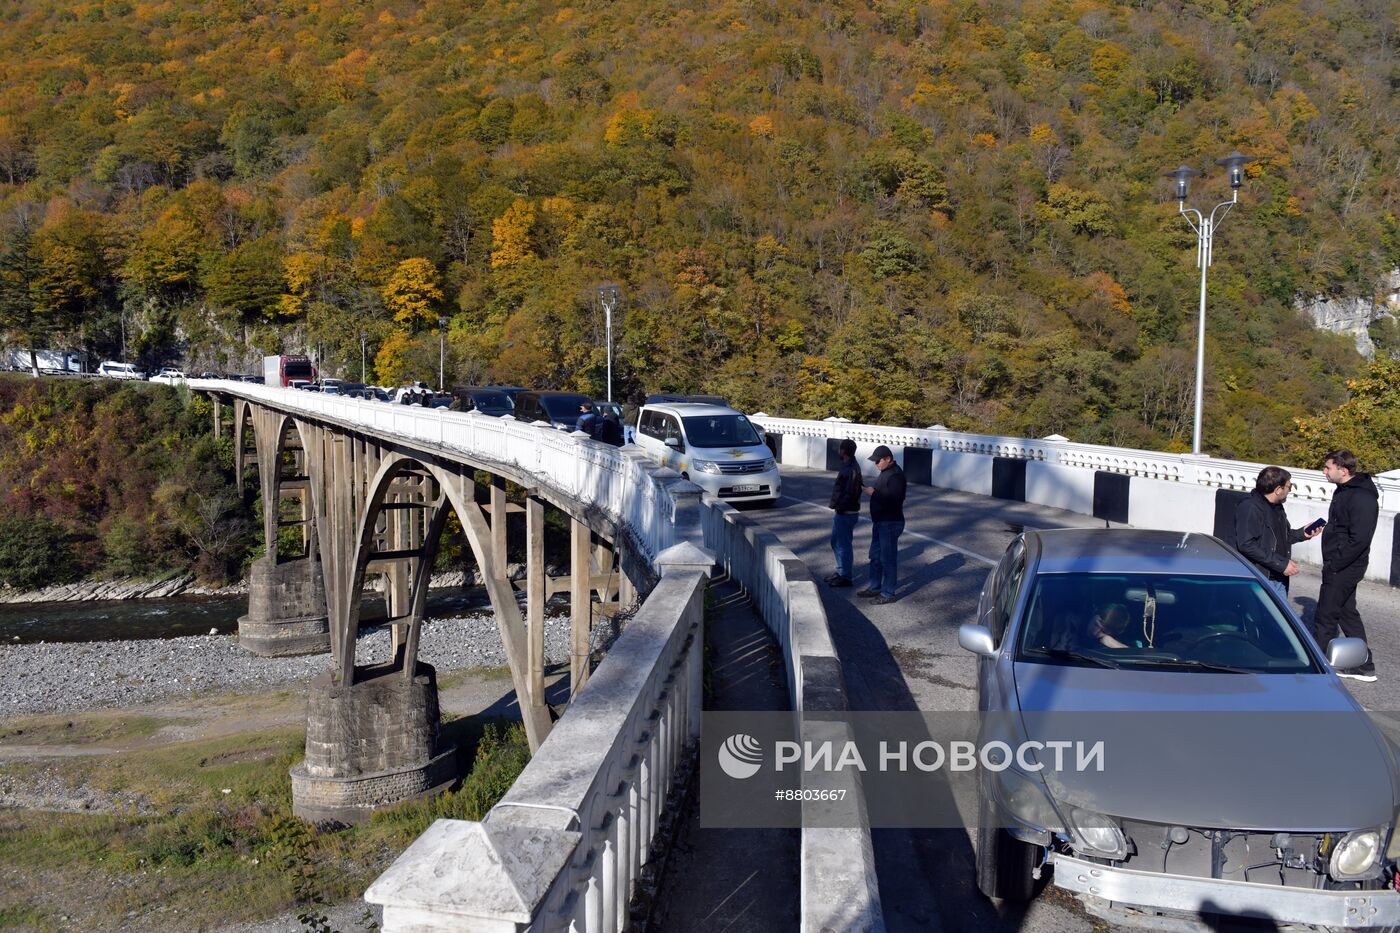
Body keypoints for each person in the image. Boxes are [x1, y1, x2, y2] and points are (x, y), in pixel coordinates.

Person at [1316, 449, 1380, 681]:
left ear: (1343, 470)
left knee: (1325, 616)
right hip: (1339, 562)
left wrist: (1336, 563)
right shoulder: (1344, 490)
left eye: (1328, 467)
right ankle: (1364, 664)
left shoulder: (1362, 497)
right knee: (1346, 613)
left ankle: (1317, 666)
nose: (1324, 471)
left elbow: (1360, 538)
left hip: (1344, 566)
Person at [1234, 466, 1320, 601]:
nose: (1289, 491)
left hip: (1279, 577)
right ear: (1278, 490)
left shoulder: (1277, 507)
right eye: (1289, 487)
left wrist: (1302, 533)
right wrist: (1281, 564)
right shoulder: (1250, 507)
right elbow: (1247, 544)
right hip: (1263, 579)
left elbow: (1280, 537)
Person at [857, 445, 906, 604]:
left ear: (888, 459)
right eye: (875, 461)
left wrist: (874, 493)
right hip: (880, 522)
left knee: (888, 559)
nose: (876, 463)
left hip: (890, 522)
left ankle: (888, 593)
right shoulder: (886, 472)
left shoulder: (896, 476)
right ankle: (875, 587)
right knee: (875, 556)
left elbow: (895, 500)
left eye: (878, 461)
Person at [825, 439, 862, 588]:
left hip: (847, 511)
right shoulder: (849, 465)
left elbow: (849, 492)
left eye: (840, 449)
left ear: (844, 451)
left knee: (843, 544)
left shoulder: (851, 468)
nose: (839, 452)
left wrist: (839, 506)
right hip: (844, 510)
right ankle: (840, 571)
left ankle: (845, 576)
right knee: (836, 542)